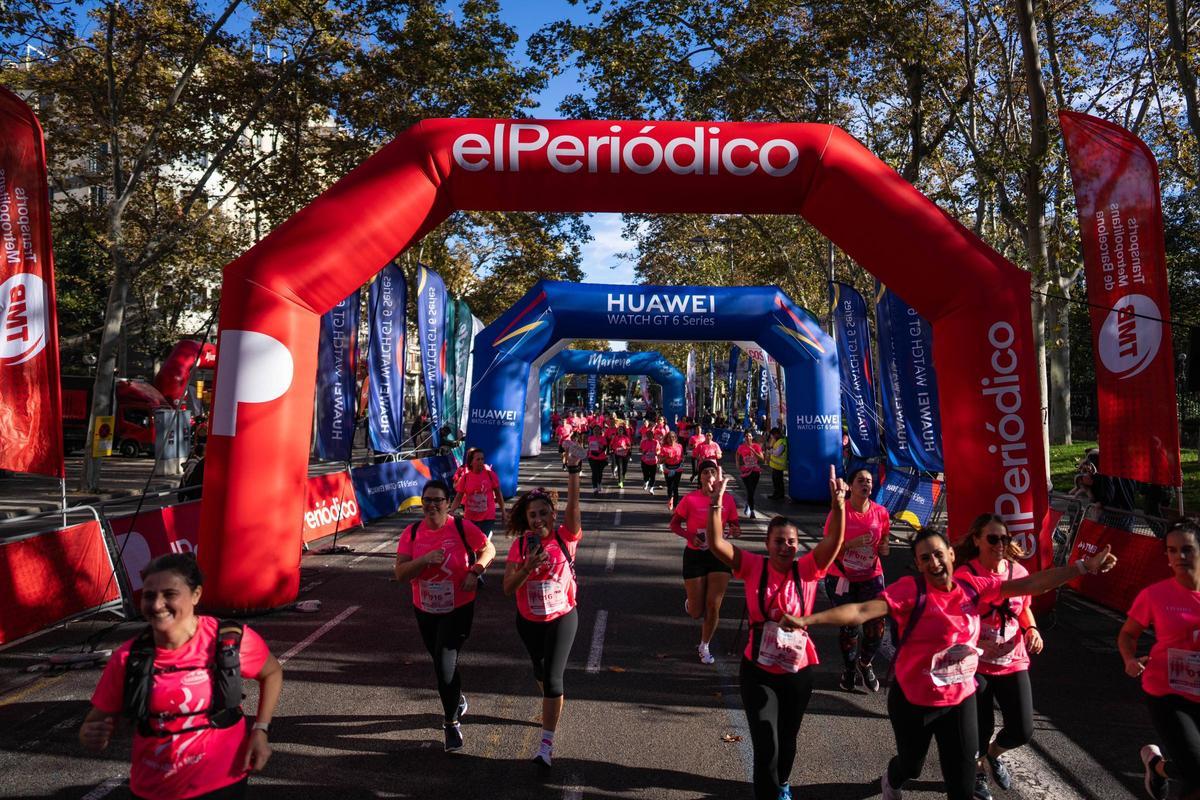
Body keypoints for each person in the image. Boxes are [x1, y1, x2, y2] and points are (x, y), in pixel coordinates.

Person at [796, 527, 1117, 800]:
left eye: (938, 554)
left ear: (951, 555)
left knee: (962, 786)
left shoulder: (974, 588)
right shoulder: (911, 591)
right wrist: (809, 618)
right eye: (925, 558)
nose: (934, 562)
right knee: (911, 766)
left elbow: (1032, 584)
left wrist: (1084, 567)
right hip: (914, 702)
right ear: (919, 566)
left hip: (958, 701)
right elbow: (861, 611)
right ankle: (891, 781)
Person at [79, 553, 283, 800]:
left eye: (170, 594)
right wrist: (92, 735)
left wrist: (261, 730)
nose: (156, 605)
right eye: (149, 595)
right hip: (154, 790)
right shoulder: (127, 658)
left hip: (223, 782)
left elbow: (271, 672)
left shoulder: (228, 640)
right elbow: (94, 724)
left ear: (196, 595)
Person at [706, 464, 848, 800]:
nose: (786, 547)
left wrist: (839, 507)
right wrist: (715, 505)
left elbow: (833, 543)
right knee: (765, 741)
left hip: (798, 670)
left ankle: (783, 780)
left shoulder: (808, 569)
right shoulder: (754, 566)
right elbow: (716, 544)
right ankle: (769, 791)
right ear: (768, 544)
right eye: (779, 541)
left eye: (792, 542)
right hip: (758, 671)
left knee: (788, 737)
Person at [395, 479, 497, 751]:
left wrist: (475, 571)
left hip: (458, 609)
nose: (431, 505)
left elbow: (489, 549)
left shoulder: (461, 527)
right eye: (426, 500)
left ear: (447, 503)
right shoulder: (412, 533)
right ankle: (457, 699)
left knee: (443, 664)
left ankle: (451, 724)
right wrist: (424, 560)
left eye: (437, 500)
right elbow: (400, 573)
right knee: (441, 663)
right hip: (425, 610)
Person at [502, 448, 584, 769]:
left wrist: (574, 470)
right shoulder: (520, 546)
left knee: (552, 679)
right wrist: (526, 568)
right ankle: (552, 704)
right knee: (539, 671)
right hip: (529, 621)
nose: (538, 519)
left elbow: (575, 508)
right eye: (533, 515)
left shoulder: (566, 537)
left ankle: (545, 747)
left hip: (563, 617)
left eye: (543, 513)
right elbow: (508, 588)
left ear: (553, 515)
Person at [953, 514, 1042, 800]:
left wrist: (1032, 630)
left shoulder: (1019, 573)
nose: (999, 544)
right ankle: (978, 771)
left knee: (1023, 729)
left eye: (1004, 539)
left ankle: (993, 755)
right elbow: (957, 617)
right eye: (992, 538)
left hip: (1012, 660)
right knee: (980, 727)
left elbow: (1024, 607)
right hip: (976, 663)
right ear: (977, 539)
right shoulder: (966, 576)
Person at [1119, 521, 1200, 800]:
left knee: (1194, 770)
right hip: (1168, 691)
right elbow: (1128, 634)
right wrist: (1129, 659)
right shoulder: (1155, 595)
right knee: (1197, 772)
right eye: (1172, 550)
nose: (1180, 557)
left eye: (1187, 549)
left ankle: (1157, 766)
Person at [824, 467, 891, 693]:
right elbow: (827, 549)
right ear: (851, 486)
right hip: (842, 577)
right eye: (861, 480)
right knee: (850, 627)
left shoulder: (881, 512)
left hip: (871, 576)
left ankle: (865, 662)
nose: (866, 484)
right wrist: (850, 545)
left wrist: (885, 547)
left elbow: (884, 540)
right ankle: (850, 668)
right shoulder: (838, 513)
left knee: (876, 628)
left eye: (869, 481)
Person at [670, 459, 741, 664]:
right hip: (695, 555)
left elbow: (735, 526)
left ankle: (704, 645)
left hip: (719, 556)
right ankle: (692, 602)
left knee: (713, 606)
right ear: (700, 477)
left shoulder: (727, 500)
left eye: (713, 471)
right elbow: (674, 525)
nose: (709, 475)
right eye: (705, 472)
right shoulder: (690, 499)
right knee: (696, 611)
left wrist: (736, 530)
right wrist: (689, 536)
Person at [449, 448, 506, 539]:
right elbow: (458, 497)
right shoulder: (466, 477)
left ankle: (486, 538)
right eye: (478, 459)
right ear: (471, 462)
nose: (481, 461)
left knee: (481, 541)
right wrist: (452, 511)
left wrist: (503, 511)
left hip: (488, 517)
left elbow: (498, 494)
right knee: (471, 541)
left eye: (482, 459)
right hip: (470, 517)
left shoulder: (490, 474)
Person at [736, 432, 764, 519]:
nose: (748, 437)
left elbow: (762, 459)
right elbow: (737, 454)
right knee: (750, 490)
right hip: (746, 471)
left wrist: (755, 452)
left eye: (749, 436)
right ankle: (752, 511)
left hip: (755, 470)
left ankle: (748, 504)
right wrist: (737, 464)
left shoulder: (756, 446)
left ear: (752, 437)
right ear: (744, 438)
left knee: (752, 491)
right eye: (746, 436)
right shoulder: (741, 447)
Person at [660, 431, 685, 512]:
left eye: (673, 437)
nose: (671, 439)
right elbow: (660, 461)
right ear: (667, 438)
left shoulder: (680, 446)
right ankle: (670, 498)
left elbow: (682, 457)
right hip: (668, 469)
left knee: (676, 487)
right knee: (670, 487)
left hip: (678, 468)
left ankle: (675, 506)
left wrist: (681, 459)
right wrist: (667, 457)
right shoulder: (664, 447)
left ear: (675, 438)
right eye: (670, 437)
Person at [586, 424, 609, 497]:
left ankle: (599, 483)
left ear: (600, 431)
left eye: (597, 430)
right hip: (592, 457)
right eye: (594, 430)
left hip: (601, 458)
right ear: (592, 431)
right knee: (594, 472)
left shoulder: (603, 438)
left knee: (599, 472)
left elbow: (604, 448)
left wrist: (599, 445)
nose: (596, 431)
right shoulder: (590, 438)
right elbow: (589, 447)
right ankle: (595, 487)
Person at [767, 427, 788, 500]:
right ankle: (776, 494)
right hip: (776, 466)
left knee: (778, 481)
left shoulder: (782, 442)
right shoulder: (778, 441)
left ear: (776, 434)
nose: (772, 436)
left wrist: (771, 451)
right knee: (776, 481)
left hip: (779, 466)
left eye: (773, 435)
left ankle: (779, 494)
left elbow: (777, 453)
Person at [610, 423, 632, 489]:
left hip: (625, 455)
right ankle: (620, 481)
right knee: (619, 467)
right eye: (619, 430)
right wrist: (612, 449)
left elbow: (629, 446)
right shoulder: (615, 438)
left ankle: (623, 475)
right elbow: (611, 445)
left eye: (621, 430)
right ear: (617, 431)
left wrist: (624, 448)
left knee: (624, 468)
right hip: (617, 454)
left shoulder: (626, 438)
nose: (620, 431)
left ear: (623, 431)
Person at [639, 427, 660, 494]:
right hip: (645, 461)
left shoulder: (656, 442)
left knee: (653, 476)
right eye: (648, 435)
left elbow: (659, 449)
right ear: (646, 435)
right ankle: (646, 482)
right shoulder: (644, 442)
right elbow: (640, 449)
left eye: (651, 435)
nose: (649, 436)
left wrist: (657, 453)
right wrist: (643, 451)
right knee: (646, 474)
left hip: (653, 461)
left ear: (653, 435)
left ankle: (651, 488)